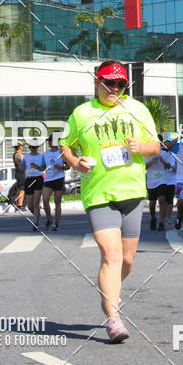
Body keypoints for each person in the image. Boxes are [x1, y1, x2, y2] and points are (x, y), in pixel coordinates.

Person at [60, 60, 160, 344]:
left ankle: (109, 289)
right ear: (96, 81)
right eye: (108, 82)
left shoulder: (137, 110)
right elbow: (65, 144)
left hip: (132, 192)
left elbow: (155, 146)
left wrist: (142, 148)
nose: (114, 88)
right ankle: (113, 320)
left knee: (126, 260)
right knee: (111, 256)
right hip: (99, 195)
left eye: (119, 84)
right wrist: (74, 162)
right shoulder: (82, 114)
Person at [42, 135, 67, 230]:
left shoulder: (61, 152)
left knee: (57, 202)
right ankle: (49, 219)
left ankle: (56, 224)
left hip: (59, 178)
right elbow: (43, 166)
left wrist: (60, 167)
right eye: (48, 141)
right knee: (45, 200)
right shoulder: (45, 153)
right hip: (48, 179)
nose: (49, 143)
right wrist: (37, 168)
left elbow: (68, 166)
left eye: (50, 141)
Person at [23, 141, 46, 231]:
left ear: (37, 148)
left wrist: (37, 167)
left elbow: (44, 168)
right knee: (30, 205)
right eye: (31, 147)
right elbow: (22, 167)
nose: (32, 149)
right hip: (29, 179)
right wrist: (18, 163)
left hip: (38, 179)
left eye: (34, 147)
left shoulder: (41, 156)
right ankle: (37, 215)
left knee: (36, 202)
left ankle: (36, 222)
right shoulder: (26, 156)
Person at [157, 138, 177, 231]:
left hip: (171, 181)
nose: (165, 147)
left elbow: (174, 168)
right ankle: (163, 218)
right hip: (162, 180)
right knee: (162, 201)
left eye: (167, 145)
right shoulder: (160, 154)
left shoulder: (172, 155)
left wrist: (172, 168)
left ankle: (168, 218)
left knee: (169, 202)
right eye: (163, 145)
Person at [145, 150, 165, 230]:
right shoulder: (146, 154)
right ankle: (153, 218)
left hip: (162, 180)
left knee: (161, 199)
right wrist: (152, 161)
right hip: (151, 181)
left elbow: (169, 166)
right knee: (152, 202)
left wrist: (163, 161)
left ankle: (161, 222)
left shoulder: (164, 153)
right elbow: (144, 166)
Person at [8, 141, 26, 211]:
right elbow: (21, 163)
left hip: (20, 173)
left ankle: (18, 205)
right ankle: (20, 206)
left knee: (19, 189)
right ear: (20, 147)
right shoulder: (18, 155)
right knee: (21, 190)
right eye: (22, 146)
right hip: (21, 173)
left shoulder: (18, 154)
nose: (22, 147)